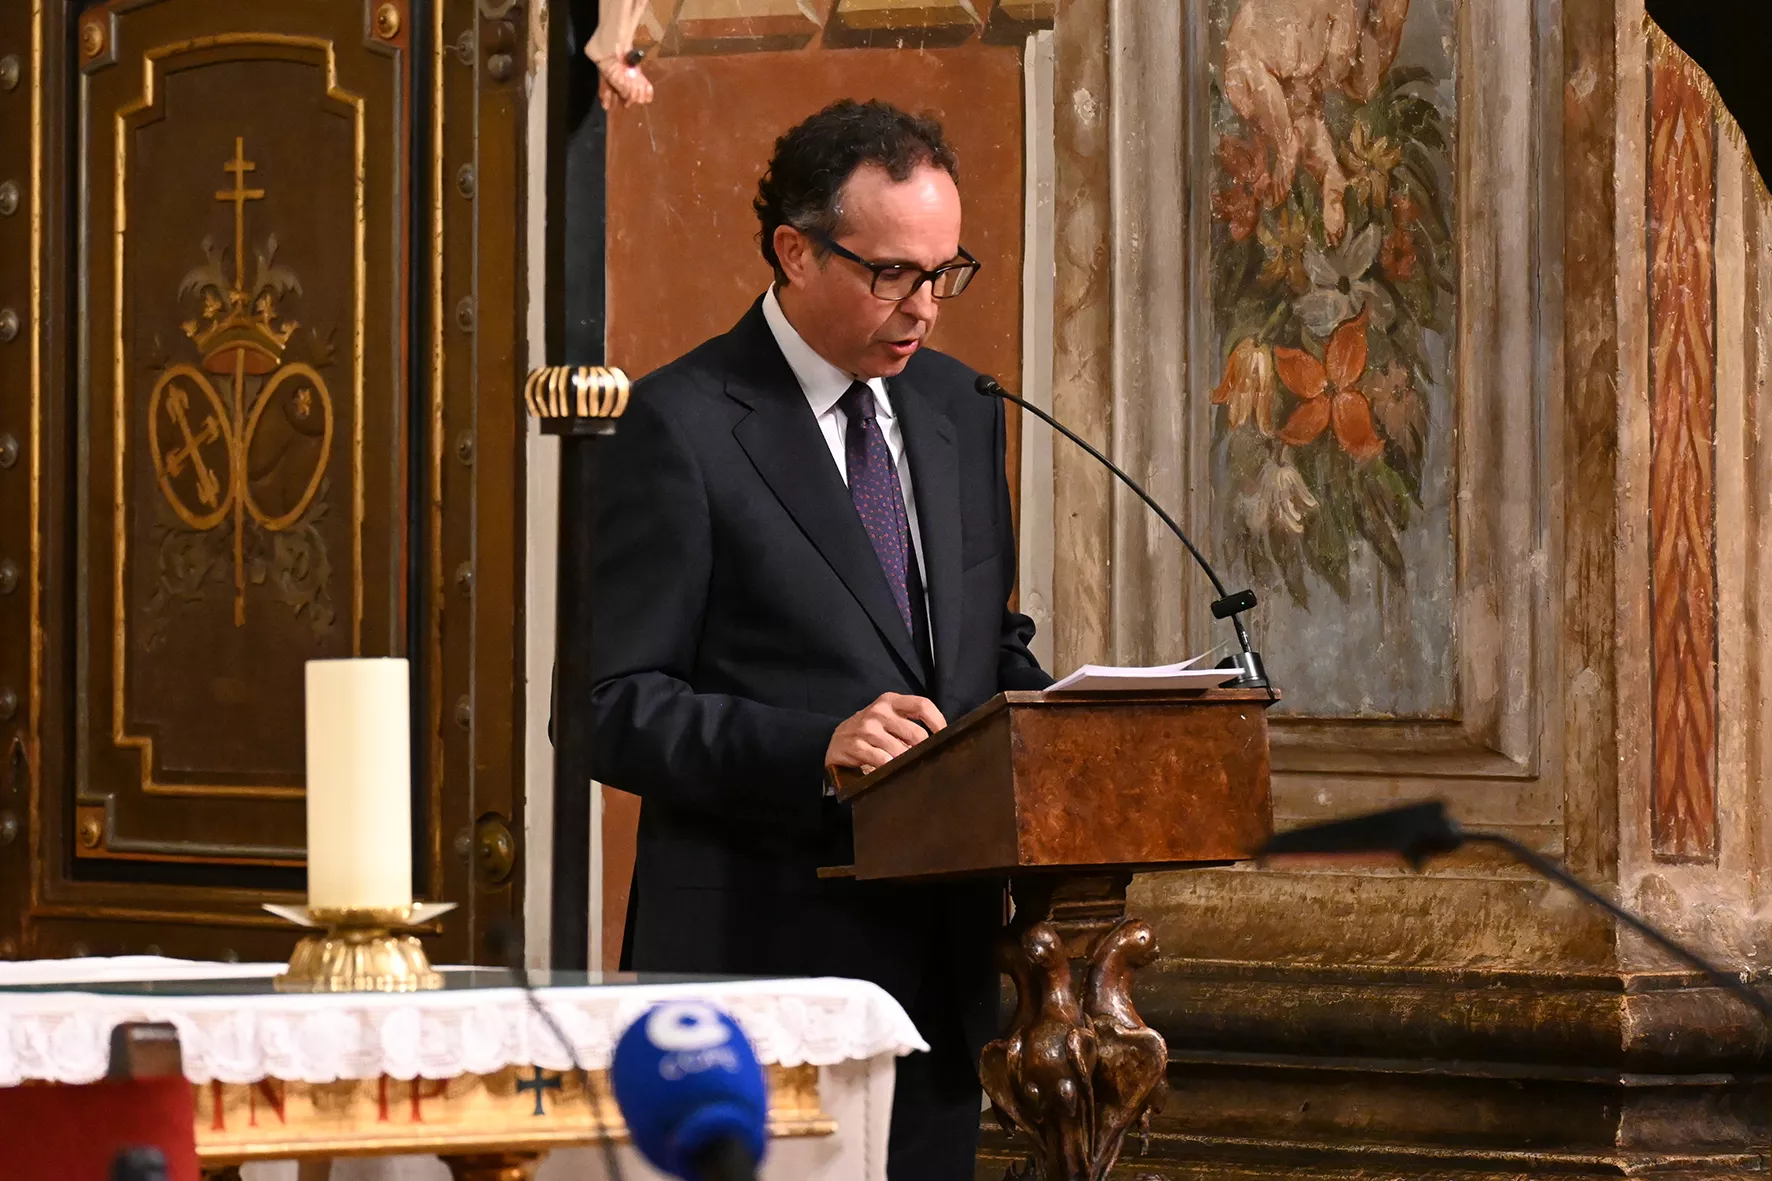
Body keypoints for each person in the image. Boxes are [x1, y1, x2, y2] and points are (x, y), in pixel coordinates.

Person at [586, 98, 1051, 1179]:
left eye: (944, 271)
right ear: (795, 251)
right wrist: (817, 747)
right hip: (754, 975)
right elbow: (608, 703)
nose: (924, 306)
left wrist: (1059, 718)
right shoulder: (680, 422)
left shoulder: (960, 404)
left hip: (938, 975)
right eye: (892, 273)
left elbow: (980, 644)